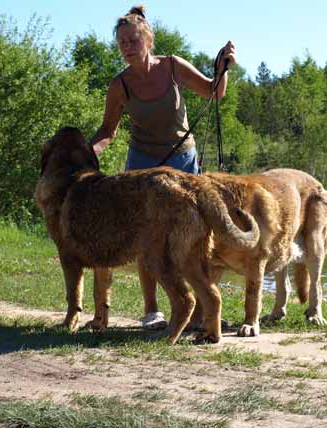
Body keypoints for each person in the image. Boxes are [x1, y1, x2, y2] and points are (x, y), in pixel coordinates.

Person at [89, 5, 236, 329]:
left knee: (195, 235)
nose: (127, 47)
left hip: (182, 160)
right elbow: (107, 132)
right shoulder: (120, 86)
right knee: (146, 238)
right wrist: (88, 152)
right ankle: (152, 310)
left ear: (148, 39)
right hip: (142, 166)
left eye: (133, 40)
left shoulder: (171, 66)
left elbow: (214, 91)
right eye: (122, 43)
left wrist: (223, 66)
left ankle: (200, 311)